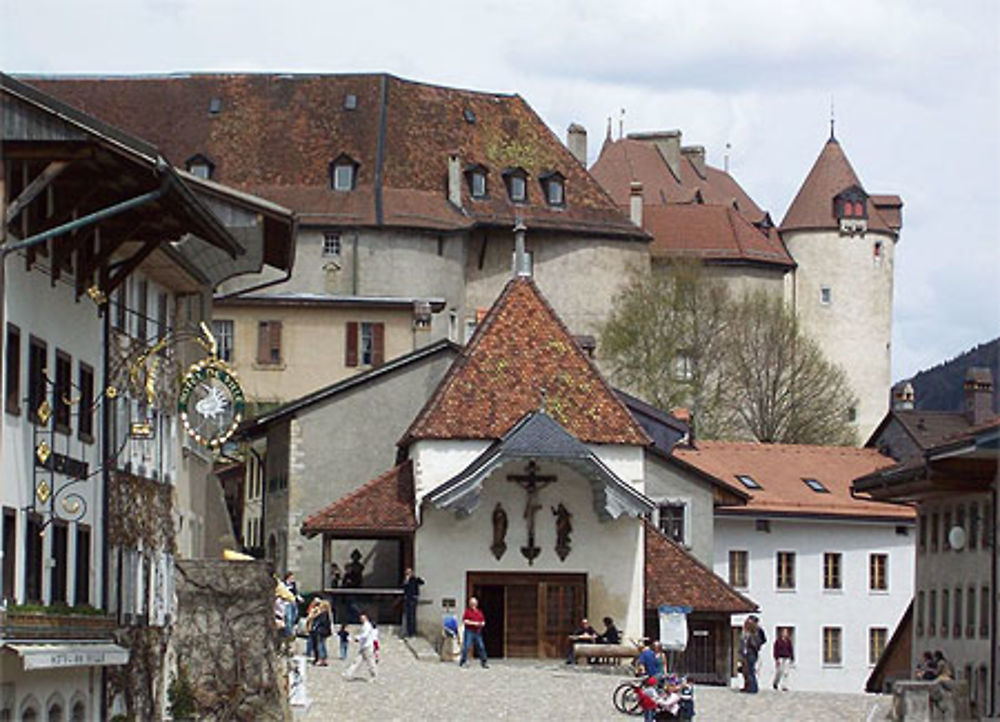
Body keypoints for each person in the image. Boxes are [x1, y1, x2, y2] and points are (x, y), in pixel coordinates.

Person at [343, 611, 378, 681]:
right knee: (356, 661)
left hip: (368, 647)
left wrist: (356, 638)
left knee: (370, 662)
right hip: (363, 647)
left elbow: (365, 635)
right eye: (361, 618)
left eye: (363, 618)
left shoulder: (368, 626)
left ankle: (374, 676)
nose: (361, 619)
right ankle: (348, 673)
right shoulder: (364, 626)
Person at [458, 596, 489, 669]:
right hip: (469, 631)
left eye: (474, 603)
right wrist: (474, 623)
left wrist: (481, 624)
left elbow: (483, 621)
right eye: (472, 603)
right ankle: (463, 661)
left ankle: (484, 662)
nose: (473, 605)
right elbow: (465, 621)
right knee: (467, 646)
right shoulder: (467, 612)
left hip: (478, 631)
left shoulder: (479, 612)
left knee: (481, 646)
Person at [308, 599, 333, 666]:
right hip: (323, 631)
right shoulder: (327, 613)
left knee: (320, 645)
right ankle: (322, 659)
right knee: (322, 645)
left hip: (320, 631)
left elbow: (320, 622)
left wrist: (315, 627)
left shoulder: (323, 613)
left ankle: (320, 659)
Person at [402, 568, 425, 638]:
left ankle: (412, 632)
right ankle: (408, 631)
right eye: (406, 572)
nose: (407, 574)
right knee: (408, 616)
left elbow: (421, 582)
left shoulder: (414, 579)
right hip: (407, 599)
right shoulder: (406, 580)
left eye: (409, 572)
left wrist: (415, 577)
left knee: (412, 616)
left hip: (413, 599)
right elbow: (404, 588)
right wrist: (406, 581)